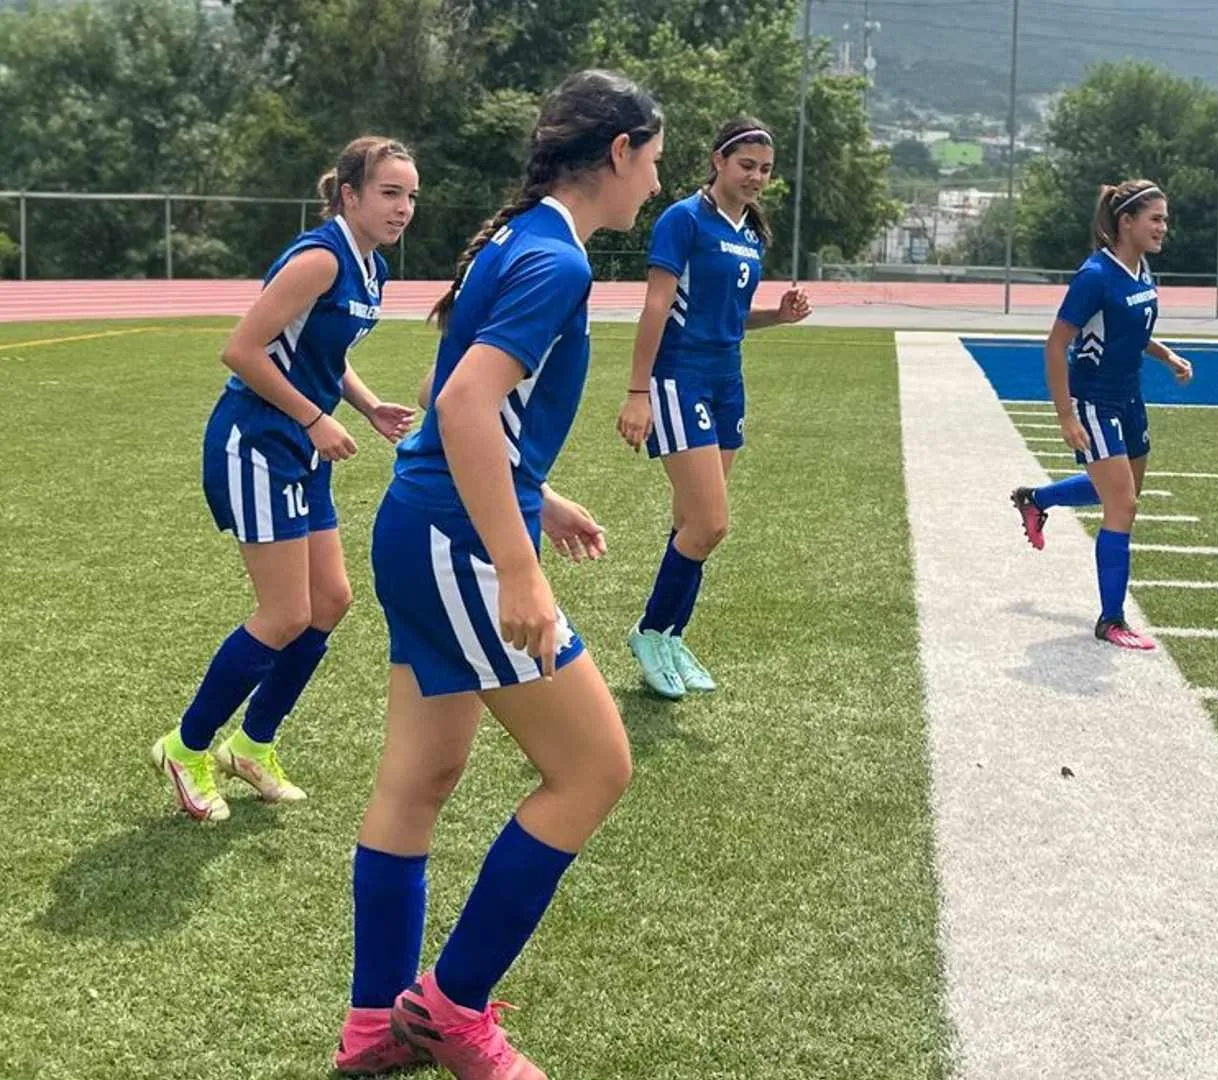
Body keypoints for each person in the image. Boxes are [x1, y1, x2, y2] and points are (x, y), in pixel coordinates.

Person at [335, 70, 662, 1080]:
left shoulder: (512, 239)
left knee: (420, 778)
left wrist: (536, 494)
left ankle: (374, 1025)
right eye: (652, 161)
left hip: (425, 525)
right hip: (460, 547)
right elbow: (468, 406)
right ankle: (452, 1009)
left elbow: (447, 397)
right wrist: (519, 568)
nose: (654, 183)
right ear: (616, 155)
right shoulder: (553, 261)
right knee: (595, 768)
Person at [151, 137, 418, 822]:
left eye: (411, 195)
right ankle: (186, 748)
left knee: (329, 601)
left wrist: (365, 404)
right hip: (255, 441)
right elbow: (240, 349)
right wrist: (311, 419)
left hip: (297, 446)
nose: (403, 207)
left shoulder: (371, 267)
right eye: (390, 193)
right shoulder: (321, 257)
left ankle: (253, 743)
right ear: (349, 196)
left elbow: (319, 352)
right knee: (285, 613)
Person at [615, 116, 811, 700]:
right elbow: (657, 306)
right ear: (719, 161)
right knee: (711, 523)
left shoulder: (750, 232)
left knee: (690, 523)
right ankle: (651, 630)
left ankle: (671, 635)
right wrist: (637, 392)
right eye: (746, 165)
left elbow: (728, 318)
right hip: (681, 381)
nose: (755, 177)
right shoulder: (684, 220)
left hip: (728, 382)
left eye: (766, 170)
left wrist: (778, 315)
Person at [1009, 179, 1192, 650]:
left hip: (1131, 399)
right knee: (1122, 505)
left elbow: (1129, 332)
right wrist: (1066, 416)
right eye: (1155, 218)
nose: (1162, 227)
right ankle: (1111, 620)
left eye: (1164, 219)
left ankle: (1038, 499)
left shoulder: (1142, 270)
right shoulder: (1094, 276)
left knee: (1118, 492)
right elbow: (1056, 344)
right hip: (1095, 402)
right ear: (1125, 222)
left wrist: (1167, 356)